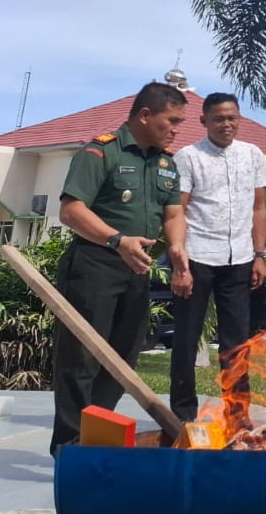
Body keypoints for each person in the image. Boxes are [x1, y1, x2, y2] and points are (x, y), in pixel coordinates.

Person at [50, 82, 189, 455]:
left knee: (122, 359)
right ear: (145, 115)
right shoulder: (101, 152)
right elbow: (71, 211)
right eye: (172, 120)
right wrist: (116, 240)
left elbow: (173, 213)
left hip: (137, 268)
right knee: (82, 358)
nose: (177, 130)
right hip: (95, 264)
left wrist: (177, 246)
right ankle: (69, 448)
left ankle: (95, 438)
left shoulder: (165, 162)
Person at [168, 92, 266, 426]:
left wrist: (259, 255)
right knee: (186, 338)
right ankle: (183, 414)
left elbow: (258, 208)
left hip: (238, 259)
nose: (226, 124)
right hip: (197, 257)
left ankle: (237, 414)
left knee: (236, 342)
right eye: (218, 119)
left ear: (239, 119)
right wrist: (180, 263)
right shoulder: (188, 157)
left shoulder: (252, 154)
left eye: (232, 118)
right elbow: (177, 211)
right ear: (204, 121)